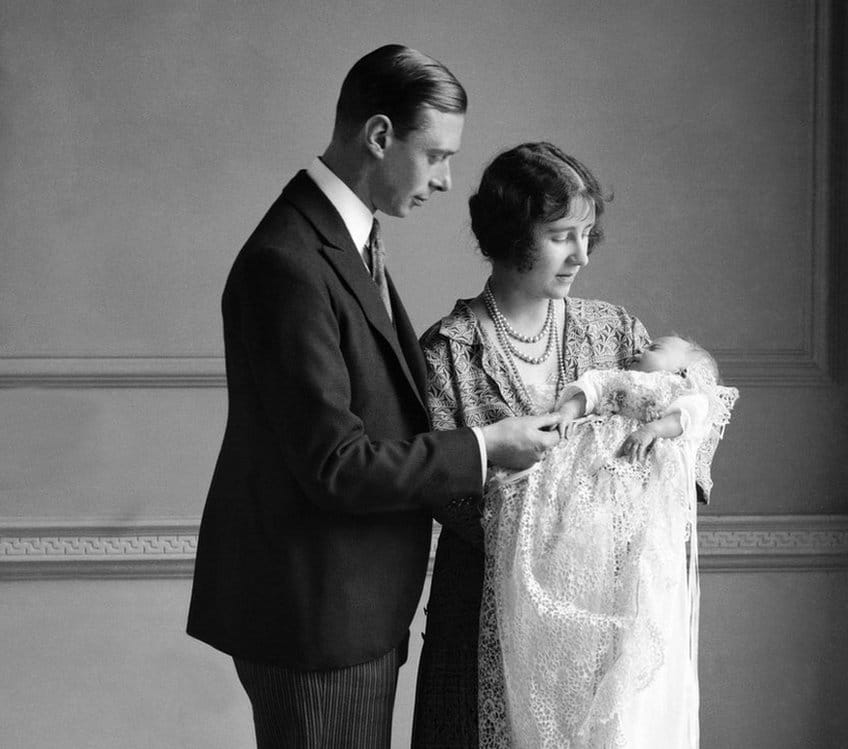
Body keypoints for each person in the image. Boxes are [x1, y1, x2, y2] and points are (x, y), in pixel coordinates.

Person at [186, 46, 561, 749]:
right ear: (380, 136)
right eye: (437, 155)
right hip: (318, 617)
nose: (448, 180)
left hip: (352, 607)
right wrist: (487, 447)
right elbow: (336, 464)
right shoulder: (289, 262)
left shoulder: (347, 242)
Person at [412, 142, 656, 747]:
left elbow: (683, 435)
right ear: (511, 233)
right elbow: (446, 494)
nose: (581, 255)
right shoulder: (447, 353)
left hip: (602, 622)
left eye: (587, 233)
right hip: (479, 623)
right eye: (560, 235)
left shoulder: (617, 332)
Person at [484, 335, 737, 747]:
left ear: (682, 370)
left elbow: (690, 416)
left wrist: (654, 429)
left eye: (657, 347)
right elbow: (590, 389)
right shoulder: (618, 377)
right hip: (582, 473)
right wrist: (567, 411)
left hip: (629, 486)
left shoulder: (679, 391)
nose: (641, 349)